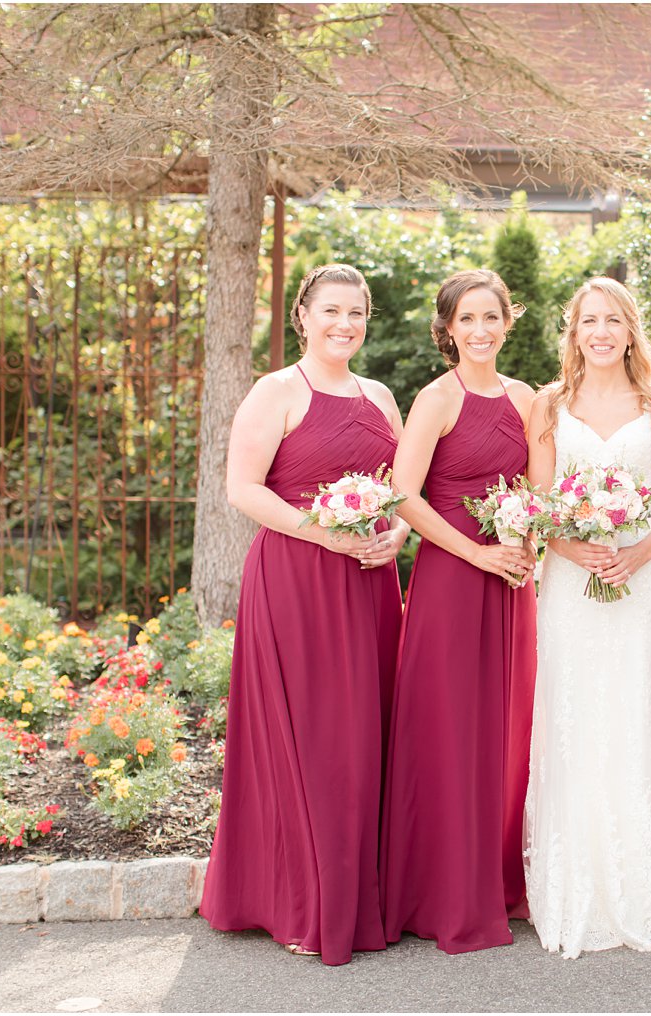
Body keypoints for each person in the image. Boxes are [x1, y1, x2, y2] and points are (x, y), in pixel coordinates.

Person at [200, 263, 408, 966]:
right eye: (331, 311)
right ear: (303, 315)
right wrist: (323, 532)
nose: (344, 324)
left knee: (364, 736)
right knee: (310, 737)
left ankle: (361, 894)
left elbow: (401, 492)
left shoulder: (380, 396)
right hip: (297, 578)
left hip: (369, 584)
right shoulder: (276, 391)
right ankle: (302, 899)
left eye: (355, 313)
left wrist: (395, 536)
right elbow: (242, 489)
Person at [522, 277, 651, 959]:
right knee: (575, 712)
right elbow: (539, 507)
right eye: (587, 321)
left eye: (613, 321)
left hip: (642, 578)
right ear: (572, 332)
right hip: (570, 581)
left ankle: (646, 877)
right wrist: (578, 549)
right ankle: (576, 887)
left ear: (631, 331)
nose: (600, 332)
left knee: (635, 711)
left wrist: (635, 553)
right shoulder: (550, 403)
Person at [379, 268, 538, 955]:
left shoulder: (529, 399)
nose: (479, 331)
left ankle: (496, 879)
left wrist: (523, 538)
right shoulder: (435, 399)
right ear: (447, 329)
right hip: (453, 577)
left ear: (509, 323)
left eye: (491, 317)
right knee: (448, 731)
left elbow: (539, 487)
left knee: (504, 732)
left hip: (511, 580)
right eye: (466, 319)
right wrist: (475, 555)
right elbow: (404, 495)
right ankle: (441, 892)